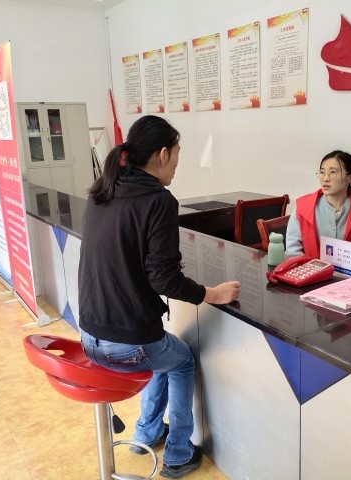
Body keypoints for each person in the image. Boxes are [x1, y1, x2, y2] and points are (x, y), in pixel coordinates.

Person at [78, 115, 240, 479]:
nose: (178, 164)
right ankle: (179, 454)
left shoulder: (102, 190)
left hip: (88, 337)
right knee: (180, 361)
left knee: (163, 352)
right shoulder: (159, 200)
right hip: (126, 343)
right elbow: (164, 279)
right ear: (163, 154)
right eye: (178, 154)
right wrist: (212, 293)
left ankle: (147, 433)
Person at [285, 150, 351, 257]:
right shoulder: (303, 208)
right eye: (322, 172)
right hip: (311, 268)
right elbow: (293, 250)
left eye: (333, 172)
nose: (325, 178)